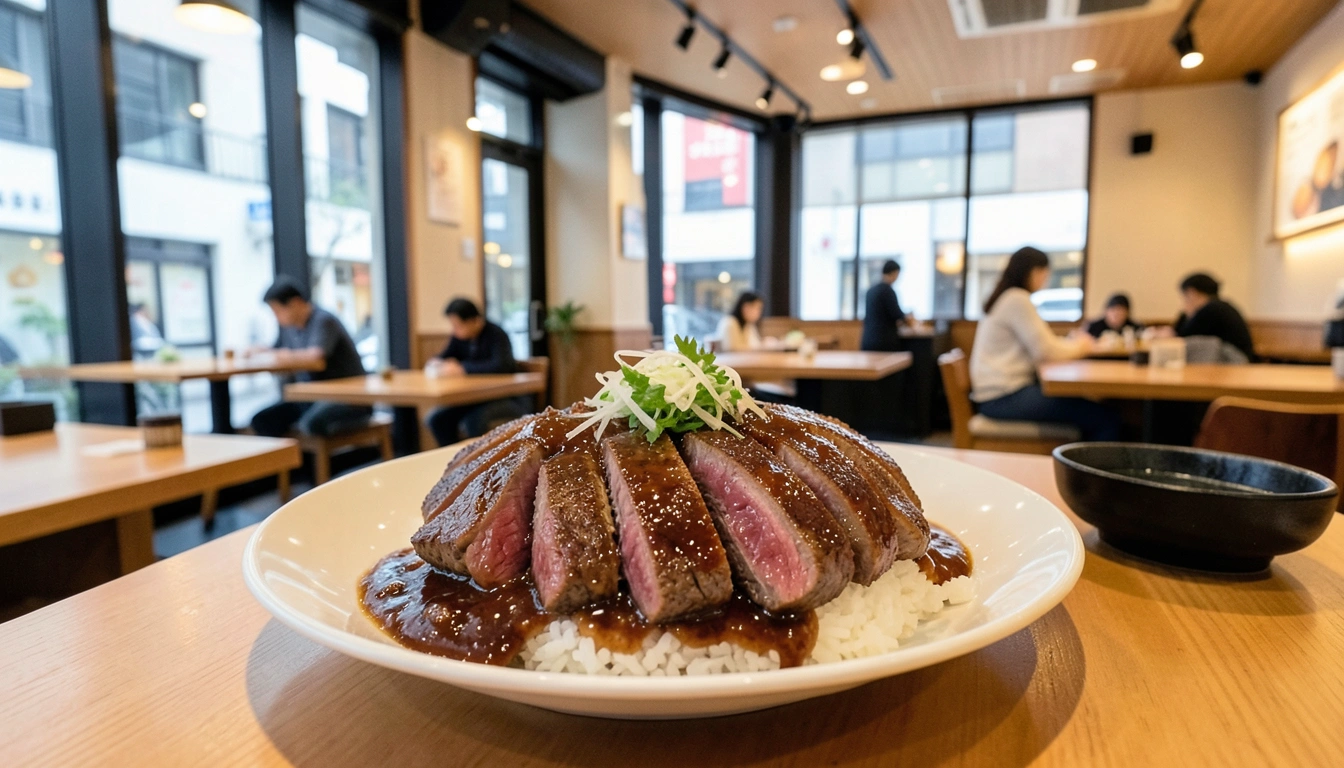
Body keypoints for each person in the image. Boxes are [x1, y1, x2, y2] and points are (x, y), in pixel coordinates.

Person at [970, 246, 1121, 441]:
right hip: (1003, 398)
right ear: (1035, 271)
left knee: (1092, 410)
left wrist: (1075, 345)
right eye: (1044, 274)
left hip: (998, 395)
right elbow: (1046, 350)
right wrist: (1083, 346)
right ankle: (1086, 470)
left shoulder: (1008, 298)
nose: (1045, 280)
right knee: (1105, 417)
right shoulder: (1017, 299)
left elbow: (1044, 344)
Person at [250, 276, 371, 438]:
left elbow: (315, 357)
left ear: (296, 303)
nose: (276, 317)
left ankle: (322, 462)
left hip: (348, 399)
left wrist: (283, 355)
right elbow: (276, 350)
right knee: (262, 420)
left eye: (278, 311)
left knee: (311, 423)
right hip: (310, 397)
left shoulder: (324, 320)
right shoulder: (289, 329)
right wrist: (259, 350)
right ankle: (292, 462)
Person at [425, 298, 527, 446]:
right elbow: (445, 356)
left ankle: (479, 463)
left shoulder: (496, 334)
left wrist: (463, 368)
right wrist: (437, 362)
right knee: (437, 419)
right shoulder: (459, 337)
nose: (455, 330)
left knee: (473, 420)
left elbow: (502, 366)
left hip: (505, 398)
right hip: (473, 398)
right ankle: (456, 462)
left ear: (475, 321)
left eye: (458, 325)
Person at [1173, 272, 1255, 361]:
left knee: (1195, 345)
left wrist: (1187, 314)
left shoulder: (1212, 309)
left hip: (1235, 359)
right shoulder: (1219, 306)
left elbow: (1182, 337)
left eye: (1185, 296)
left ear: (1192, 292)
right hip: (1236, 358)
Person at [861, 260, 912, 352]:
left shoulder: (871, 290)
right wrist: (908, 318)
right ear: (894, 273)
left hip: (868, 339)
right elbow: (897, 314)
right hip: (884, 341)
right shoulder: (888, 291)